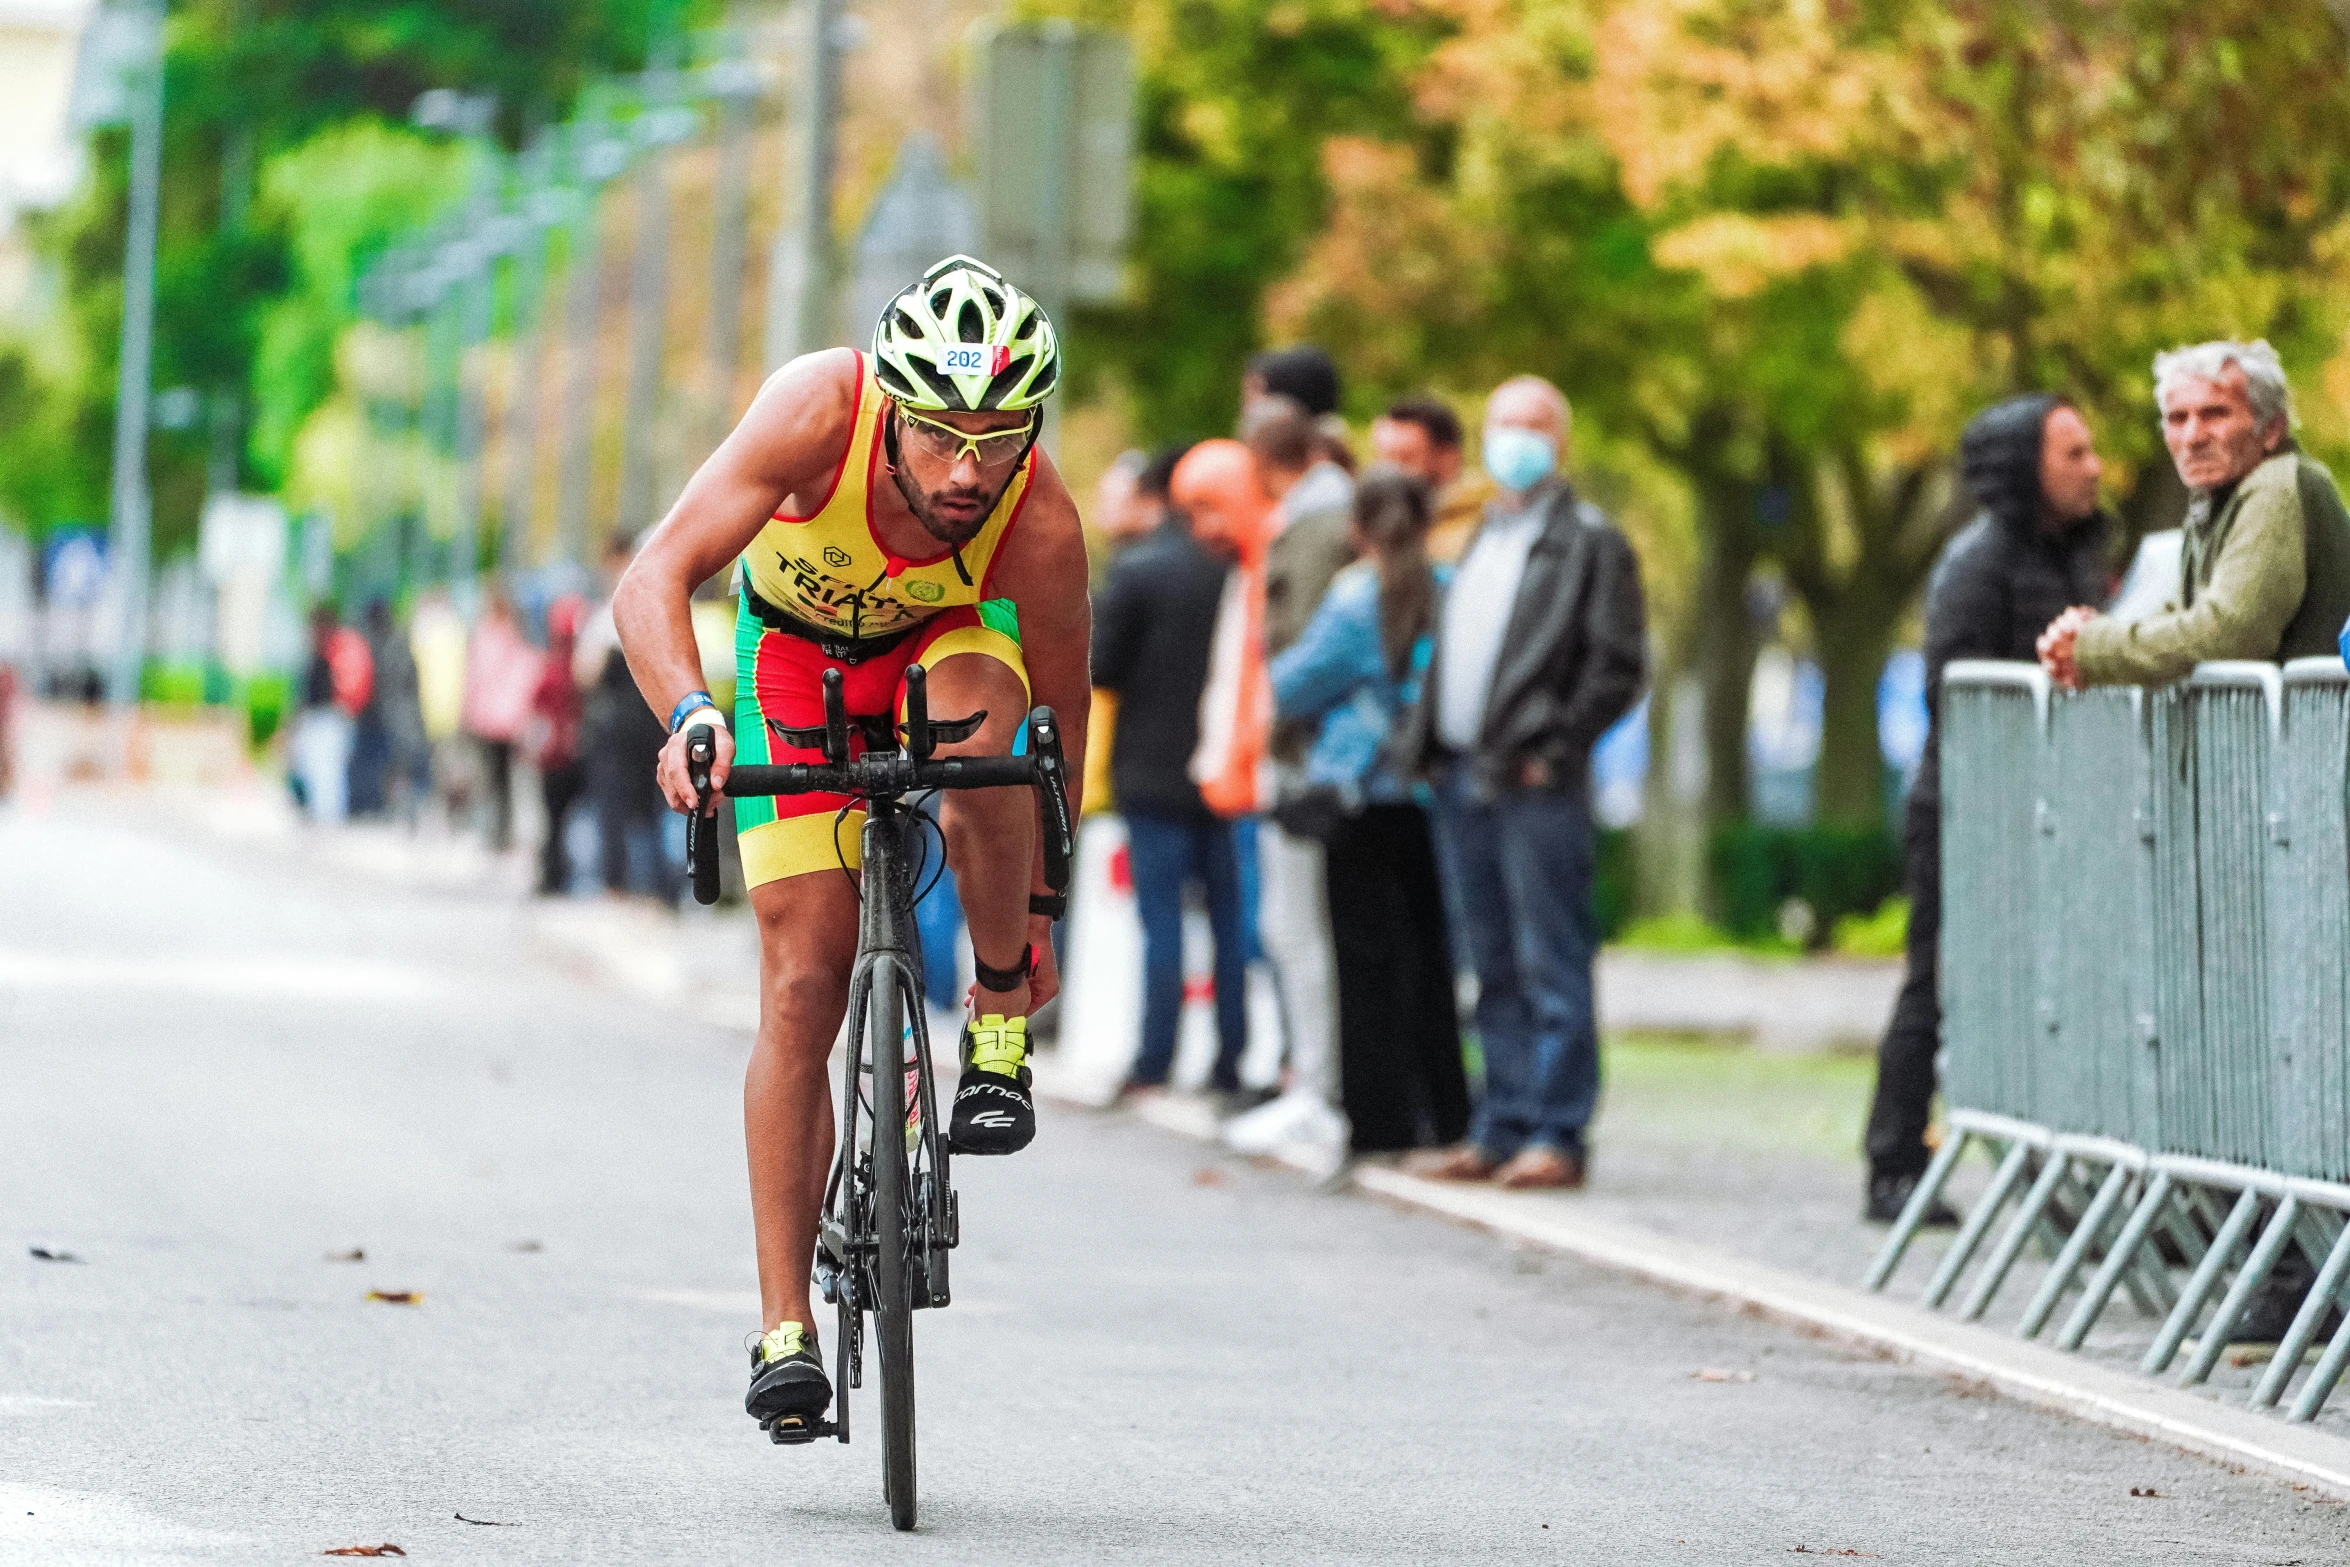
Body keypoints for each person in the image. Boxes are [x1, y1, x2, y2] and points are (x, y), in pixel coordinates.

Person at [613, 255, 1089, 1436]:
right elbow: (654, 573)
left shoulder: (1038, 516)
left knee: (992, 721)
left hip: (941, 657)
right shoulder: (818, 410)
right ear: (891, 414)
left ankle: (989, 1019)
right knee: (803, 980)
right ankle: (785, 1324)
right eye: (938, 437)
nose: (969, 469)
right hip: (795, 666)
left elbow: (1060, 732)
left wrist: (1037, 921)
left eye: (998, 436)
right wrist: (689, 713)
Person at [1392, 376, 1646, 1191]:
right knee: (1489, 958)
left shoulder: (1589, 541)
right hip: (1464, 772)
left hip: (1534, 779)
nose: (1517, 439)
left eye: (1534, 425)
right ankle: (1499, 1124)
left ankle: (1558, 1132)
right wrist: (1428, 742)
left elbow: (1617, 665)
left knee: (1550, 956)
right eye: (1503, 424)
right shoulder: (1481, 535)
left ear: (1561, 440)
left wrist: (1557, 745)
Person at [1863, 395, 2111, 1223]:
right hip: (1966, 810)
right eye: (2073, 453)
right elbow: (1954, 691)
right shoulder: (1977, 562)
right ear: (2025, 467)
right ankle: (1894, 1159)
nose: (2094, 468)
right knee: (1937, 978)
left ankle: (2048, 1171)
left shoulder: (2080, 555)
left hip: (2047, 809)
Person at [1269, 467, 1469, 1154]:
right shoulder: (1447, 590)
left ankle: (1379, 1118)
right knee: (1428, 956)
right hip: (1425, 795)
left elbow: (1291, 685)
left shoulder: (1358, 598)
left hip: (1356, 798)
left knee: (1365, 962)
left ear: (1359, 529)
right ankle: (1446, 1111)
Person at [2040, 339, 2350, 689]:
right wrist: (2091, 636)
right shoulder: (2217, 497)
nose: (2192, 436)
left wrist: (2094, 648)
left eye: (2215, 413)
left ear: (2272, 429)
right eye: (2177, 418)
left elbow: (2229, 632)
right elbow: (2185, 612)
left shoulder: (2277, 485)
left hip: (2313, 737)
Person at [1092, 438, 1252, 1098]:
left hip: (1151, 773)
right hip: (1229, 770)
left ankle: (1155, 1057)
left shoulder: (1137, 572)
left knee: (1161, 923)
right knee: (1231, 923)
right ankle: (1232, 1059)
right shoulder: (1238, 569)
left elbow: (1100, 667)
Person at [1243, 396, 1358, 1130]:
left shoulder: (1317, 522)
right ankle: (1309, 1077)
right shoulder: (1322, 514)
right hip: (1309, 748)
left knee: (1301, 927)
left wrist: (1276, 714)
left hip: (1309, 753)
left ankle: (1317, 1083)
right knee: (1294, 925)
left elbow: (1303, 645)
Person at [579, 537, 674, 896]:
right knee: (652, 806)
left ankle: (617, 884)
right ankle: (660, 886)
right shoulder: (657, 606)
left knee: (614, 809)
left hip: (614, 728)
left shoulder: (609, 612)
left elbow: (586, 672)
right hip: (652, 721)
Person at [460, 588, 541, 853]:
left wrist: (468, 709)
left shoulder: (485, 637)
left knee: (490, 778)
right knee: (504, 778)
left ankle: (493, 831)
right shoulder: (515, 635)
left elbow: (475, 678)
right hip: (508, 718)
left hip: (488, 718)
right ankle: (501, 830)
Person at [1372, 396, 1491, 563]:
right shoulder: (1381, 524)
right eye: (1383, 457)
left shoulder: (1484, 528)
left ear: (1448, 458)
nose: (1389, 472)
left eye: (1405, 458)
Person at [529, 595, 589, 895]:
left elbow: (536, 709)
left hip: (555, 755)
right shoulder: (583, 664)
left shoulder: (552, 666)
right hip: (575, 752)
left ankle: (554, 874)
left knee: (555, 820)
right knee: (567, 820)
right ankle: (560, 872)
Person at [290, 602, 370, 824]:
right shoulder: (327, 649)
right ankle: (323, 816)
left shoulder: (333, 649)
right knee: (317, 769)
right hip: (325, 718)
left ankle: (328, 819)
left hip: (329, 719)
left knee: (326, 771)